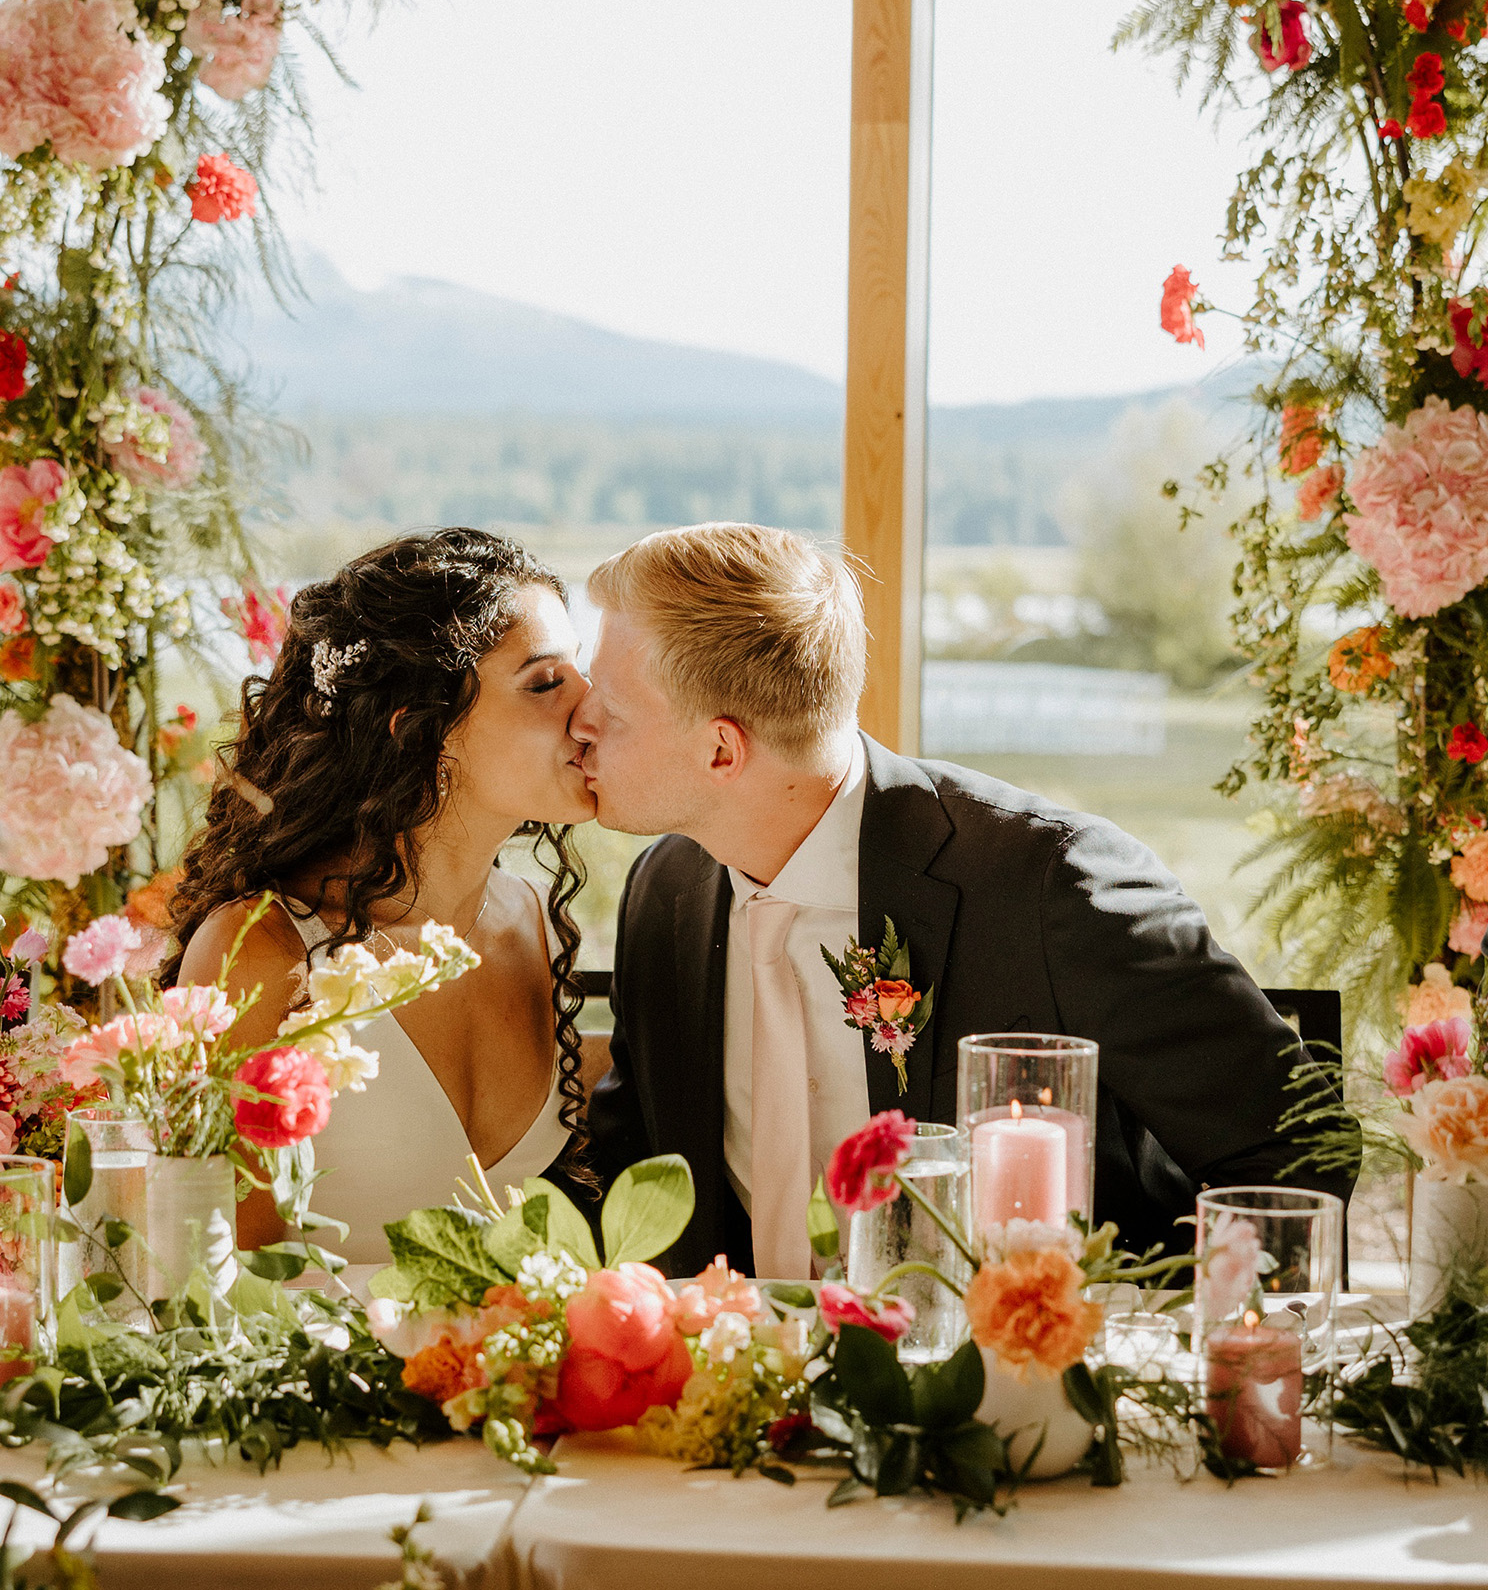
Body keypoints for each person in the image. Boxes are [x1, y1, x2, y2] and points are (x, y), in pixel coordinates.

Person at [574, 522, 1355, 1278]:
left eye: (608, 710)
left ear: (721, 748)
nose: (579, 726)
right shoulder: (666, 893)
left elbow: (1297, 1155)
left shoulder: (1055, 885)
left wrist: (1138, 1354)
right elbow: (629, 1168)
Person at [172, 528, 595, 1260]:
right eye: (544, 683)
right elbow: (218, 1283)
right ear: (421, 733)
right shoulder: (263, 956)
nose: (593, 711)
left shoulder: (536, 925)